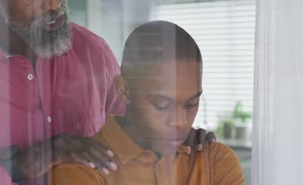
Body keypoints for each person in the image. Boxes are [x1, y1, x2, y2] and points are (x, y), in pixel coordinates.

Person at [0, 0, 214, 184]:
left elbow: (133, 131)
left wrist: (173, 133)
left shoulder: (93, 53)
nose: (54, 2)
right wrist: (24, 164)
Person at [49, 21, 245, 185]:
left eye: (191, 104)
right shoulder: (78, 169)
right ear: (124, 91)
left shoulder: (215, 161)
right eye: (162, 105)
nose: (180, 122)